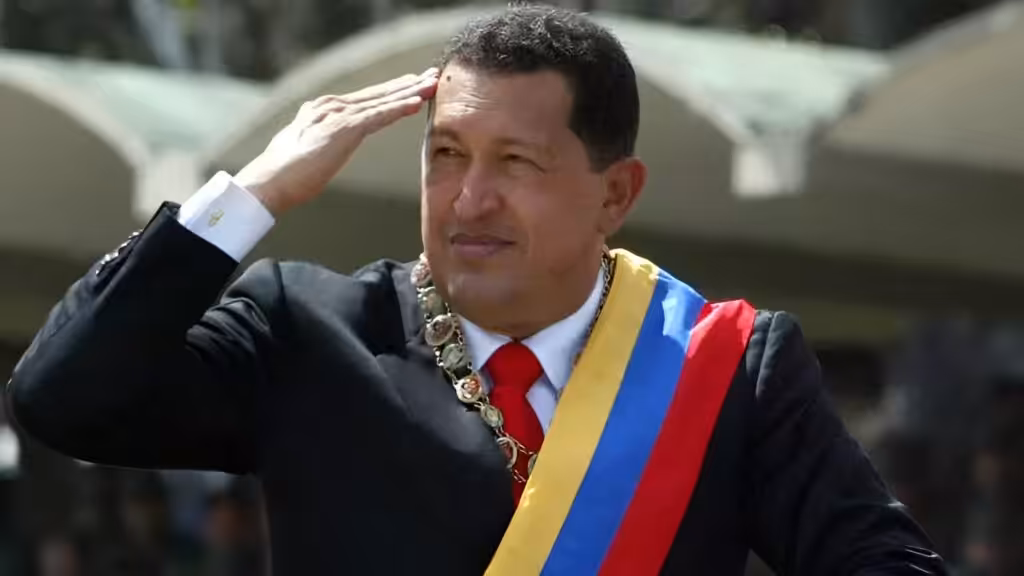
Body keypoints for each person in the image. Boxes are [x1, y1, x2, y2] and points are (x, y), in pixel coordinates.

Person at [7, 5, 947, 575]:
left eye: (516, 163)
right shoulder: (308, 328)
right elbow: (63, 397)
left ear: (615, 193)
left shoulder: (726, 366)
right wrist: (250, 197)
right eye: (446, 155)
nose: (469, 199)